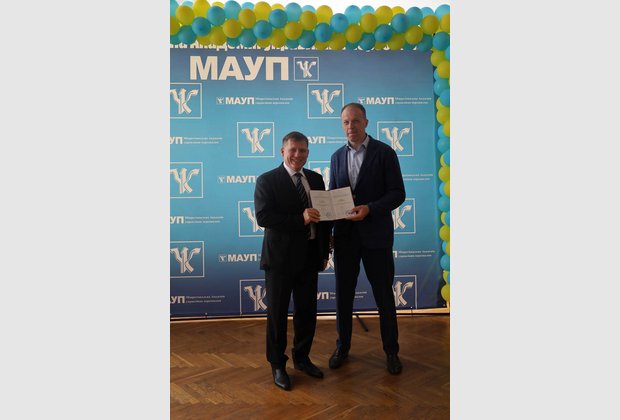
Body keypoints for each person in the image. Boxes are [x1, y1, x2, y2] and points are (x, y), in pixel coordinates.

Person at [328, 103, 406, 375]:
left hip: (376, 238)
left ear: (366, 122)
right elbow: (334, 197)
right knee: (343, 297)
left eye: (356, 121)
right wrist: (329, 232)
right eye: (346, 122)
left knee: (384, 295)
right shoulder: (336, 157)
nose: (351, 126)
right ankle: (342, 347)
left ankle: (391, 351)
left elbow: (398, 193)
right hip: (345, 238)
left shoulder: (385, 152)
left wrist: (370, 208)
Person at [254, 131, 331, 391]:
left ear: (308, 152)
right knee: (277, 315)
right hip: (280, 260)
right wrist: (301, 219)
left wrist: (324, 252)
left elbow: (324, 219)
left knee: (307, 312)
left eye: (303, 150)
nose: (298, 155)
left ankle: (302, 358)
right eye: (293, 150)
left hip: (310, 257)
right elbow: (264, 217)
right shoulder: (267, 180)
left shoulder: (316, 179)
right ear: (282, 152)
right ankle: (277, 364)